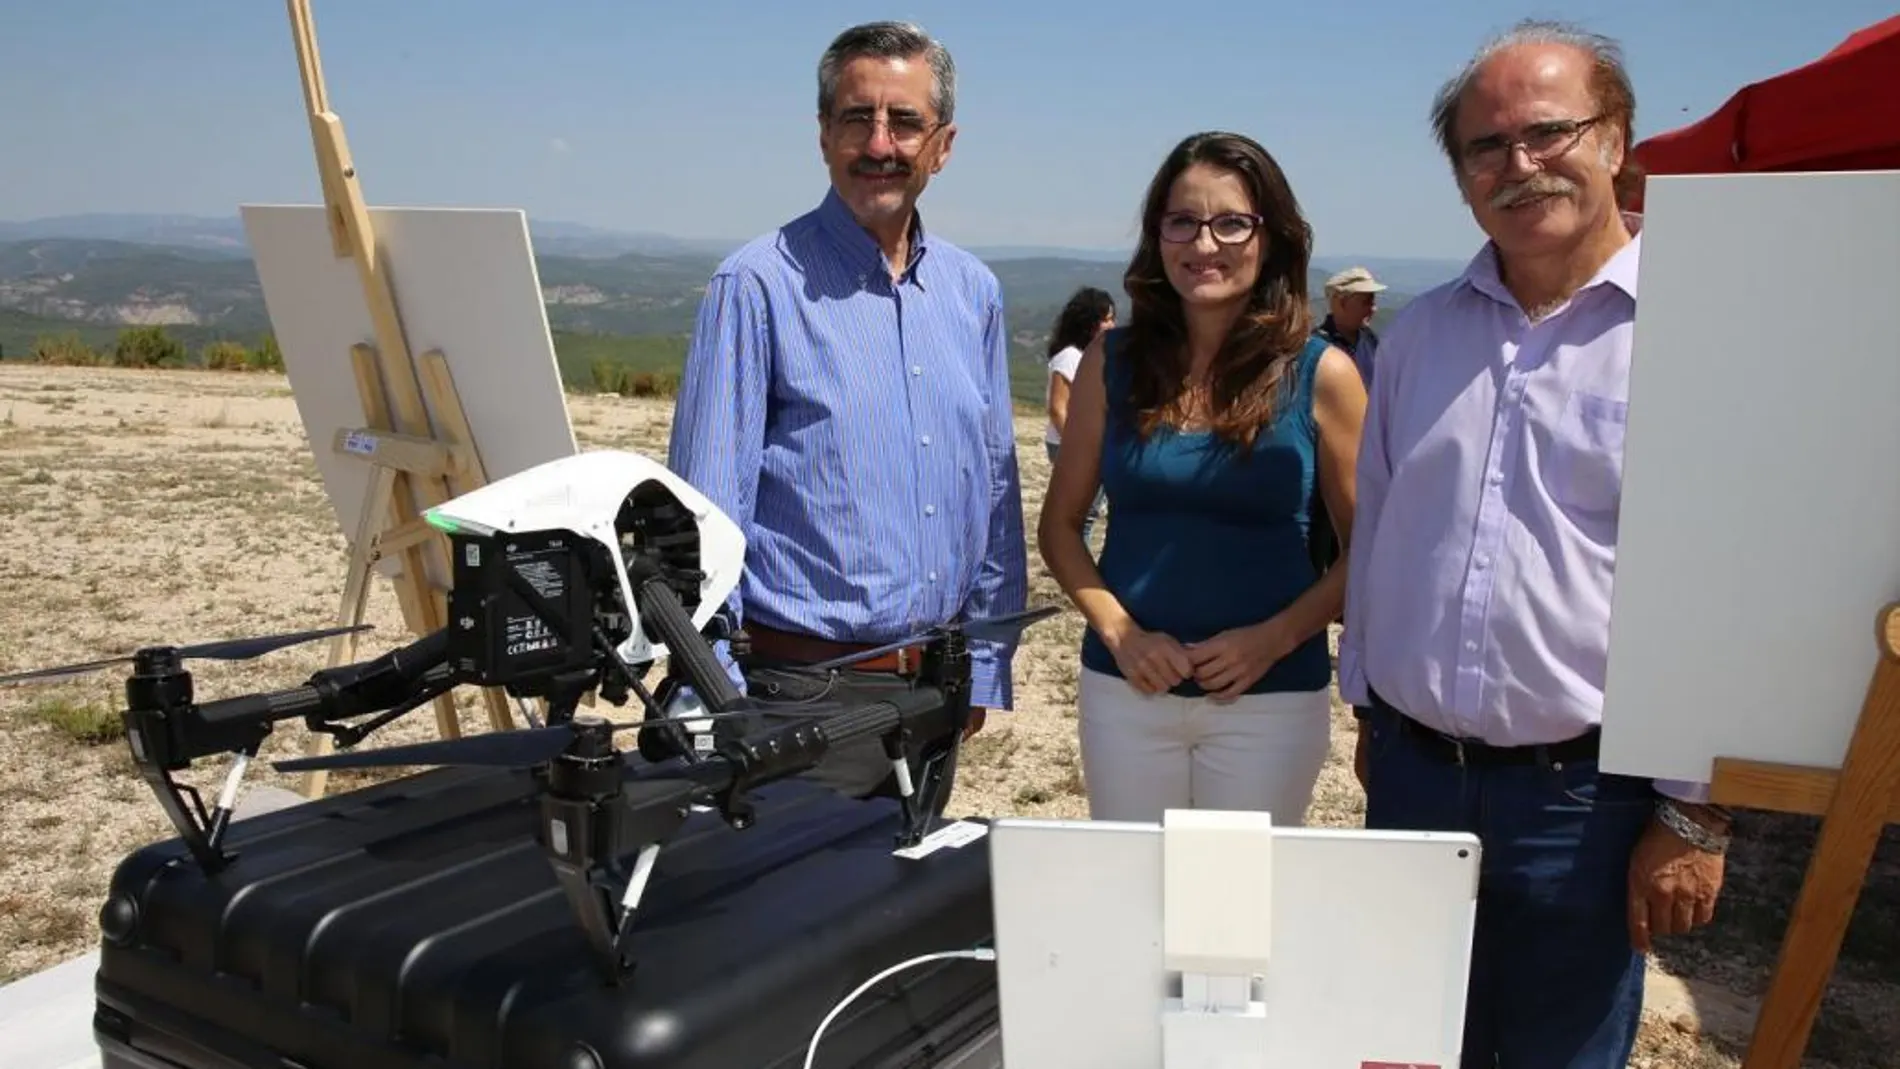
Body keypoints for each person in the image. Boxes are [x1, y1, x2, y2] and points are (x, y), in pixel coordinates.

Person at [1338, 20, 1729, 1068]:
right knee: (1402, 1045)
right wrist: (1366, 700)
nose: (1519, 164)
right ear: (1461, 174)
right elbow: (1382, 531)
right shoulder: (1418, 339)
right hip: (1414, 781)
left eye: (1549, 132)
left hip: (1588, 800)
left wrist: (1695, 816)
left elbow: (1720, 588)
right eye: (1486, 146)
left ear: (1616, 138)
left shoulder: (1699, 335)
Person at [665, 20, 1028, 807]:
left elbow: (995, 495)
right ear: (823, 134)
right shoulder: (756, 287)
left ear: (944, 144)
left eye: (905, 122)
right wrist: (720, 700)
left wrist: (988, 663)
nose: (880, 144)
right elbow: (702, 518)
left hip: (936, 694)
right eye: (857, 118)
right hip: (800, 698)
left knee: (907, 922)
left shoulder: (973, 295)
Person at [1037, 131, 1366, 825]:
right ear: (1157, 237)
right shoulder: (1110, 360)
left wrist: (1272, 639)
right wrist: (1122, 632)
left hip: (1268, 701)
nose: (1204, 244)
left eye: (1231, 223)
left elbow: (1370, 550)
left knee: (1236, 917)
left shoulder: (1322, 375)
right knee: (1129, 902)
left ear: (1271, 237)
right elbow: (1060, 527)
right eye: (1182, 221)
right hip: (1125, 689)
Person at [1043, 286, 1116, 548]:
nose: (1112, 324)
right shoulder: (1070, 357)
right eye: (1106, 319)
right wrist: (1078, 445)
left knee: (1089, 511)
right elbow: (1057, 407)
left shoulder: (1085, 356)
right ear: (1090, 322)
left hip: (1079, 442)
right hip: (1072, 444)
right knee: (1084, 513)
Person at [1313, 266, 1385, 387]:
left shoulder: (1369, 339)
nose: (1373, 309)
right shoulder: (1318, 347)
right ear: (1342, 303)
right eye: (1367, 302)